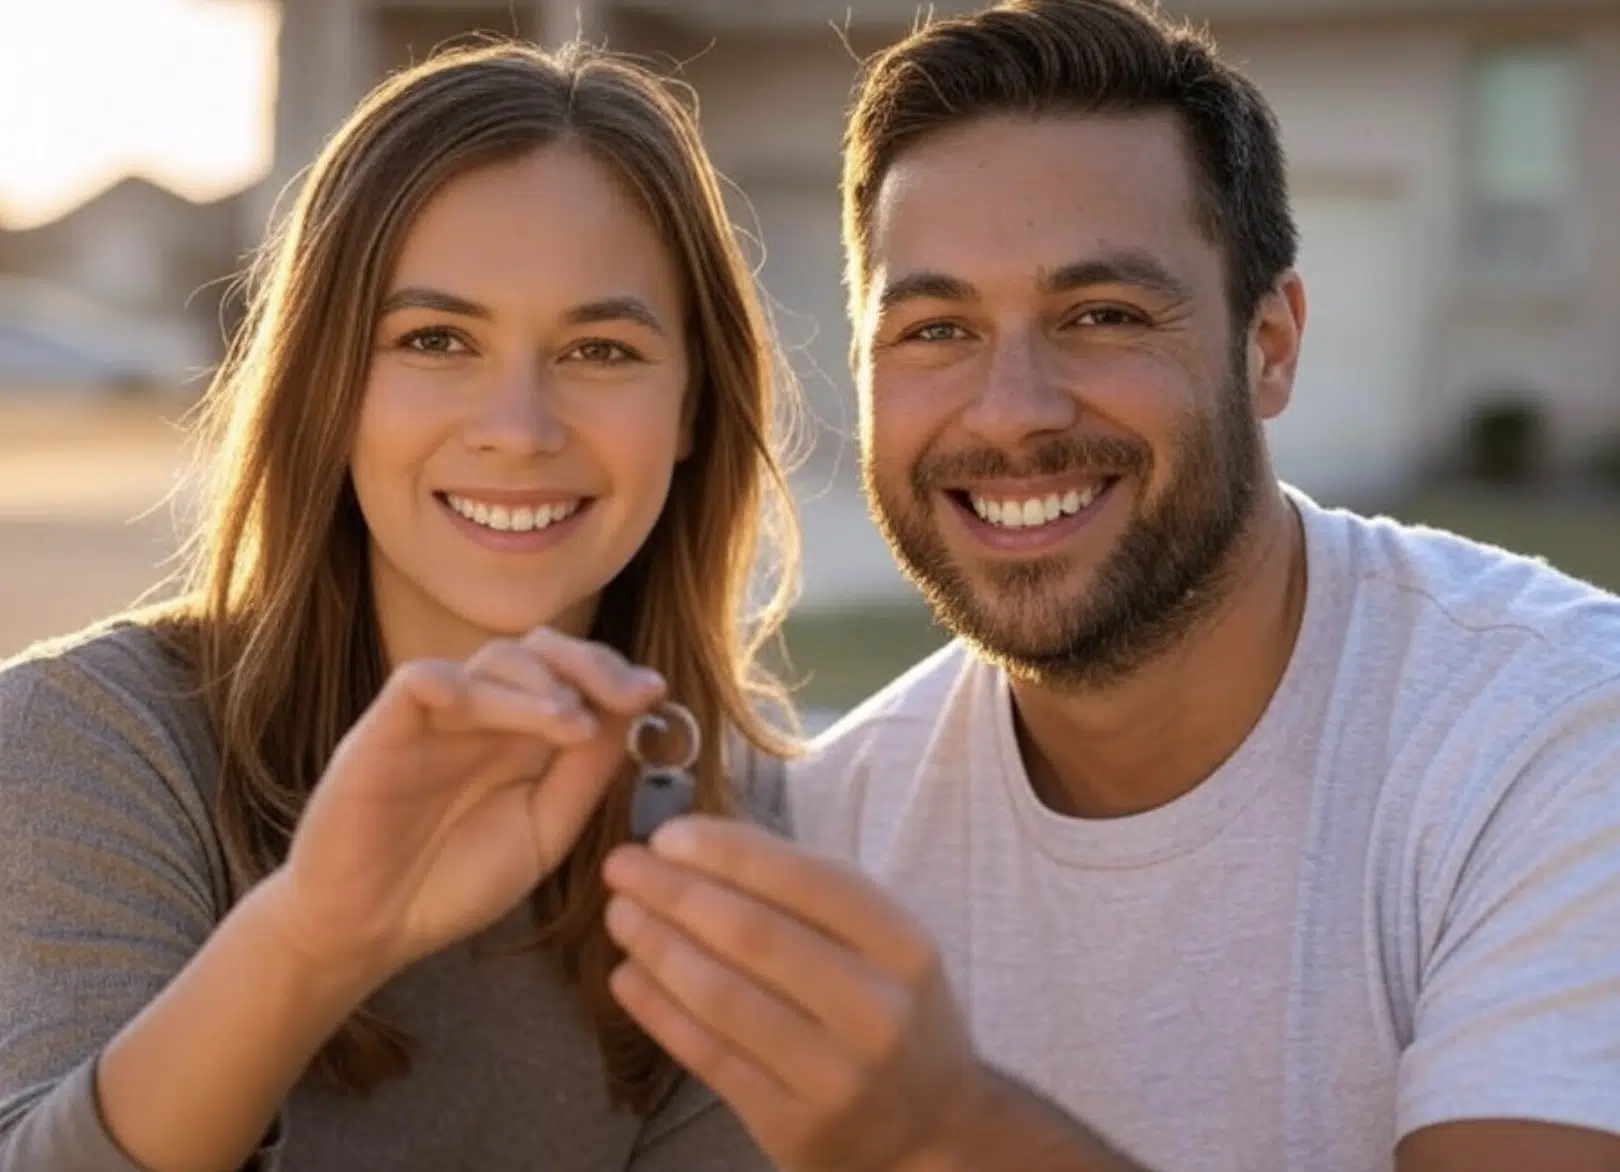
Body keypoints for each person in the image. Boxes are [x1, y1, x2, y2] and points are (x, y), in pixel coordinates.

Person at [593, 2, 1620, 1170]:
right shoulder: (834, 827)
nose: (1012, 406)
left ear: (1270, 343)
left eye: (1102, 315)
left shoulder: (1552, 738)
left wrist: (950, 1127)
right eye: (937, 329)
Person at [0, 40, 801, 1172]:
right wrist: (318, 932)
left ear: (692, 410)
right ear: (328, 387)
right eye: (435, 340)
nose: (518, 426)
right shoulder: (93, 739)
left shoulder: (746, 834)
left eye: (601, 348)